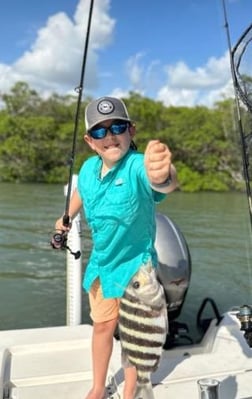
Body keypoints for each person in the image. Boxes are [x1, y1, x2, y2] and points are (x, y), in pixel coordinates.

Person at [54, 96, 178, 399]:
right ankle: (98, 386)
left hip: (137, 268)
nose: (109, 136)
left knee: (134, 334)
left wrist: (163, 174)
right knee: (102, 327)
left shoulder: (136, 165)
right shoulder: (87, 169)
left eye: (117, 127)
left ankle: (131, 391)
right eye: (100, 131)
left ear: (131, 131)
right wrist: (66, 216)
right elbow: (82, 192)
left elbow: (162, 182)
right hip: (103, 265)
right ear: (89, 140)